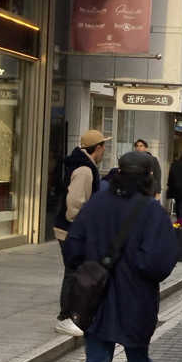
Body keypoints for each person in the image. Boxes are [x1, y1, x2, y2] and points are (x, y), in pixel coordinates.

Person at [65, 151, 177, 362]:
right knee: (137, 349)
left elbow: (73, 244)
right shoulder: (151, 211)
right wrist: (140, 268)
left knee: (96, 361)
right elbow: (160, 260)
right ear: (148, 177)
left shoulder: (97, 204)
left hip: (97, 297)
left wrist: (87, 267)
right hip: (134, 296)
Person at [53, 129, 110, 337]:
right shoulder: (85, 169)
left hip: (72, 229)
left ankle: (72, 314)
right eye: (103, 146)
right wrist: (82, 225)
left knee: (76, 271)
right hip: (72, 230)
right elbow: (75, 204)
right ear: (97, 148)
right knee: (73, 272)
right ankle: (65, 317)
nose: (105, 150)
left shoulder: (82, 164)